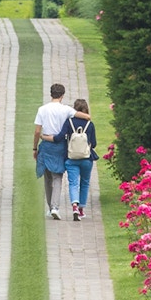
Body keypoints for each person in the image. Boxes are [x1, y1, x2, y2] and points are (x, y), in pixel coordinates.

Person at [33, 83, 88, 220]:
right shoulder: (66, 110)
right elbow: (84, 116)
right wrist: (86, 116)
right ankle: (55, 207)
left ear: (51, 94)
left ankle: (51, 207)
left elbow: (37, 131)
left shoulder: (42, 109)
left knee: (47, 178)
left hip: (46, 144)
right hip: (60, 145)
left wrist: (35, 147)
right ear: (62, 95)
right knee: (57, 176)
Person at [55, 98, 98, 222]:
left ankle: (74, 205)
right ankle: (81, 210)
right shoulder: (90, 124)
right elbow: (93, 143)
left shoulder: (69, 122)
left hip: (71, 158)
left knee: (73, 183)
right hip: (86, 158)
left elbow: (61, 137)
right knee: (84, 183)